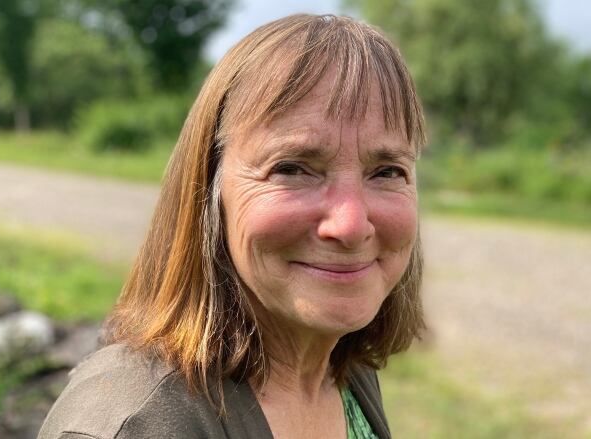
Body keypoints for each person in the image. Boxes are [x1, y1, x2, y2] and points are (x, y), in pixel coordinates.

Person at [38, 13, 425, 439]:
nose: (350, 225)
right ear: (209, 187)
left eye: (387, 171)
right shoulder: (134, 425)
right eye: (293, 168)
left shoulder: (340, 366)